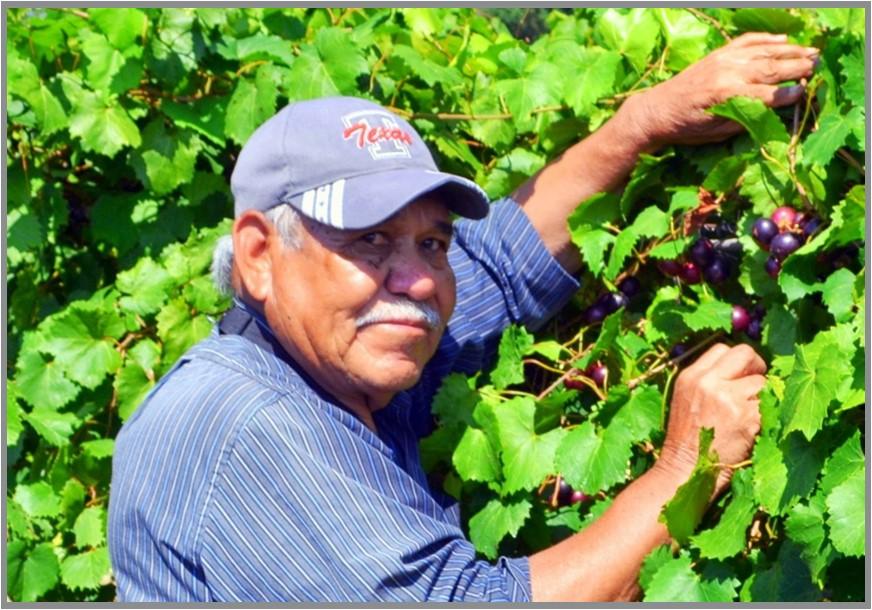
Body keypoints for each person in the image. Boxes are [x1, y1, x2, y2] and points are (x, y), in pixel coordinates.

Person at [108, 33, 817, 602]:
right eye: (371, 239)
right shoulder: (250, 426)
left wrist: (640, 126)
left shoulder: (342, 361)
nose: (418, 279)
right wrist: (683, 470)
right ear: (260, 256)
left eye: (432, 242)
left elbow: (504, 267)